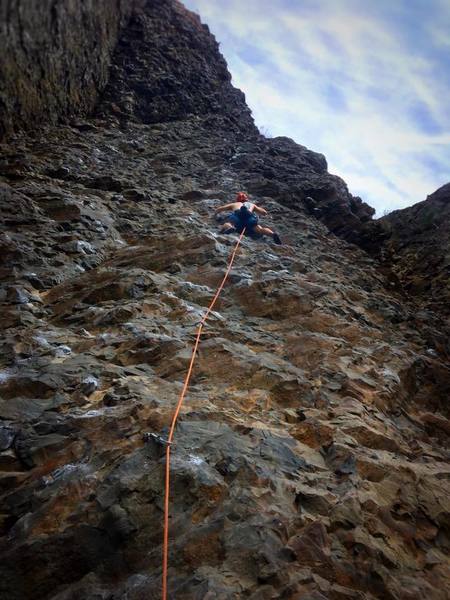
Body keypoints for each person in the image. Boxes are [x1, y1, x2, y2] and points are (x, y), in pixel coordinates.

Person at [215, 192, 282, 244]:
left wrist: (215, 214)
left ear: (238, 200)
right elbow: (264, 212)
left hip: (238, 215)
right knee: (259, 228)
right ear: (246, 199)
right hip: (249, 216)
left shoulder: (235, 204)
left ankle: (230, 228)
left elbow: (219, 209)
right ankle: (272, 234)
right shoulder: (251, 204)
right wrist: (256, 210)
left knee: (229, 223)